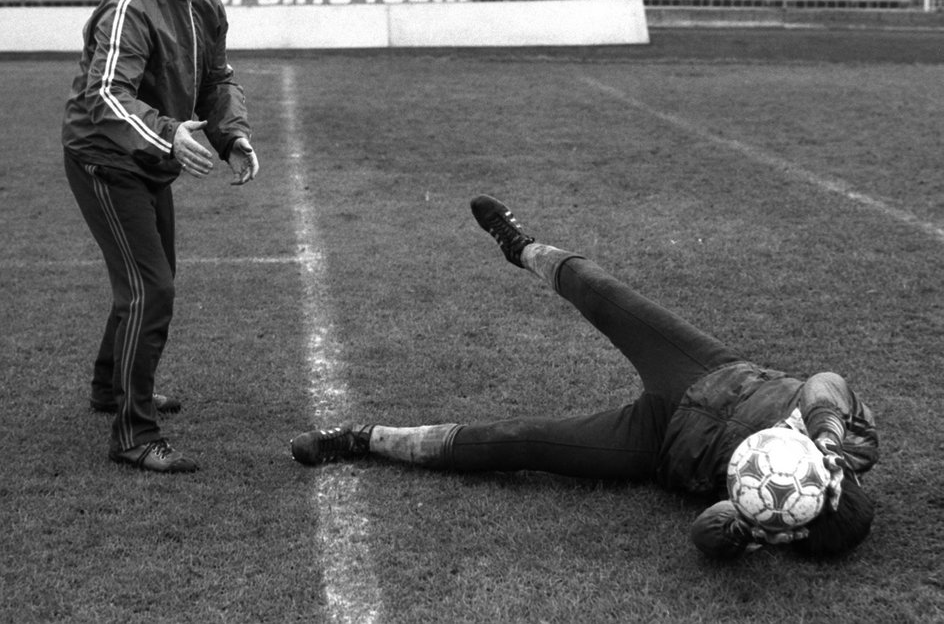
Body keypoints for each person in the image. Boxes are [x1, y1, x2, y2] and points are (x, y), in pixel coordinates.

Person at [290, 195, 879, 559]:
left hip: (657, 444)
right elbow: (827, 381)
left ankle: (362, 437)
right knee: (603, 293)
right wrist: (824, 437)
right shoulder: (854, 448)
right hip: (714, 371)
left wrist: (753, 529)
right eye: (825, 488)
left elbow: (704, 536)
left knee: (516, 442)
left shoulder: (776, 521)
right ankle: (520, 246)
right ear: (840, 482)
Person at [63, 0, 259, 473]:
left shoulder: (204, 4)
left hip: (148, 157)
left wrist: (233, 136)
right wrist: (169, 132)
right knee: (151, 288)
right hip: (105, 159)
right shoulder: (130, 5)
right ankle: (134, 434)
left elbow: (217, 78)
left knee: (150, 281)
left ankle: (110, 390)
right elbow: (105, 95)